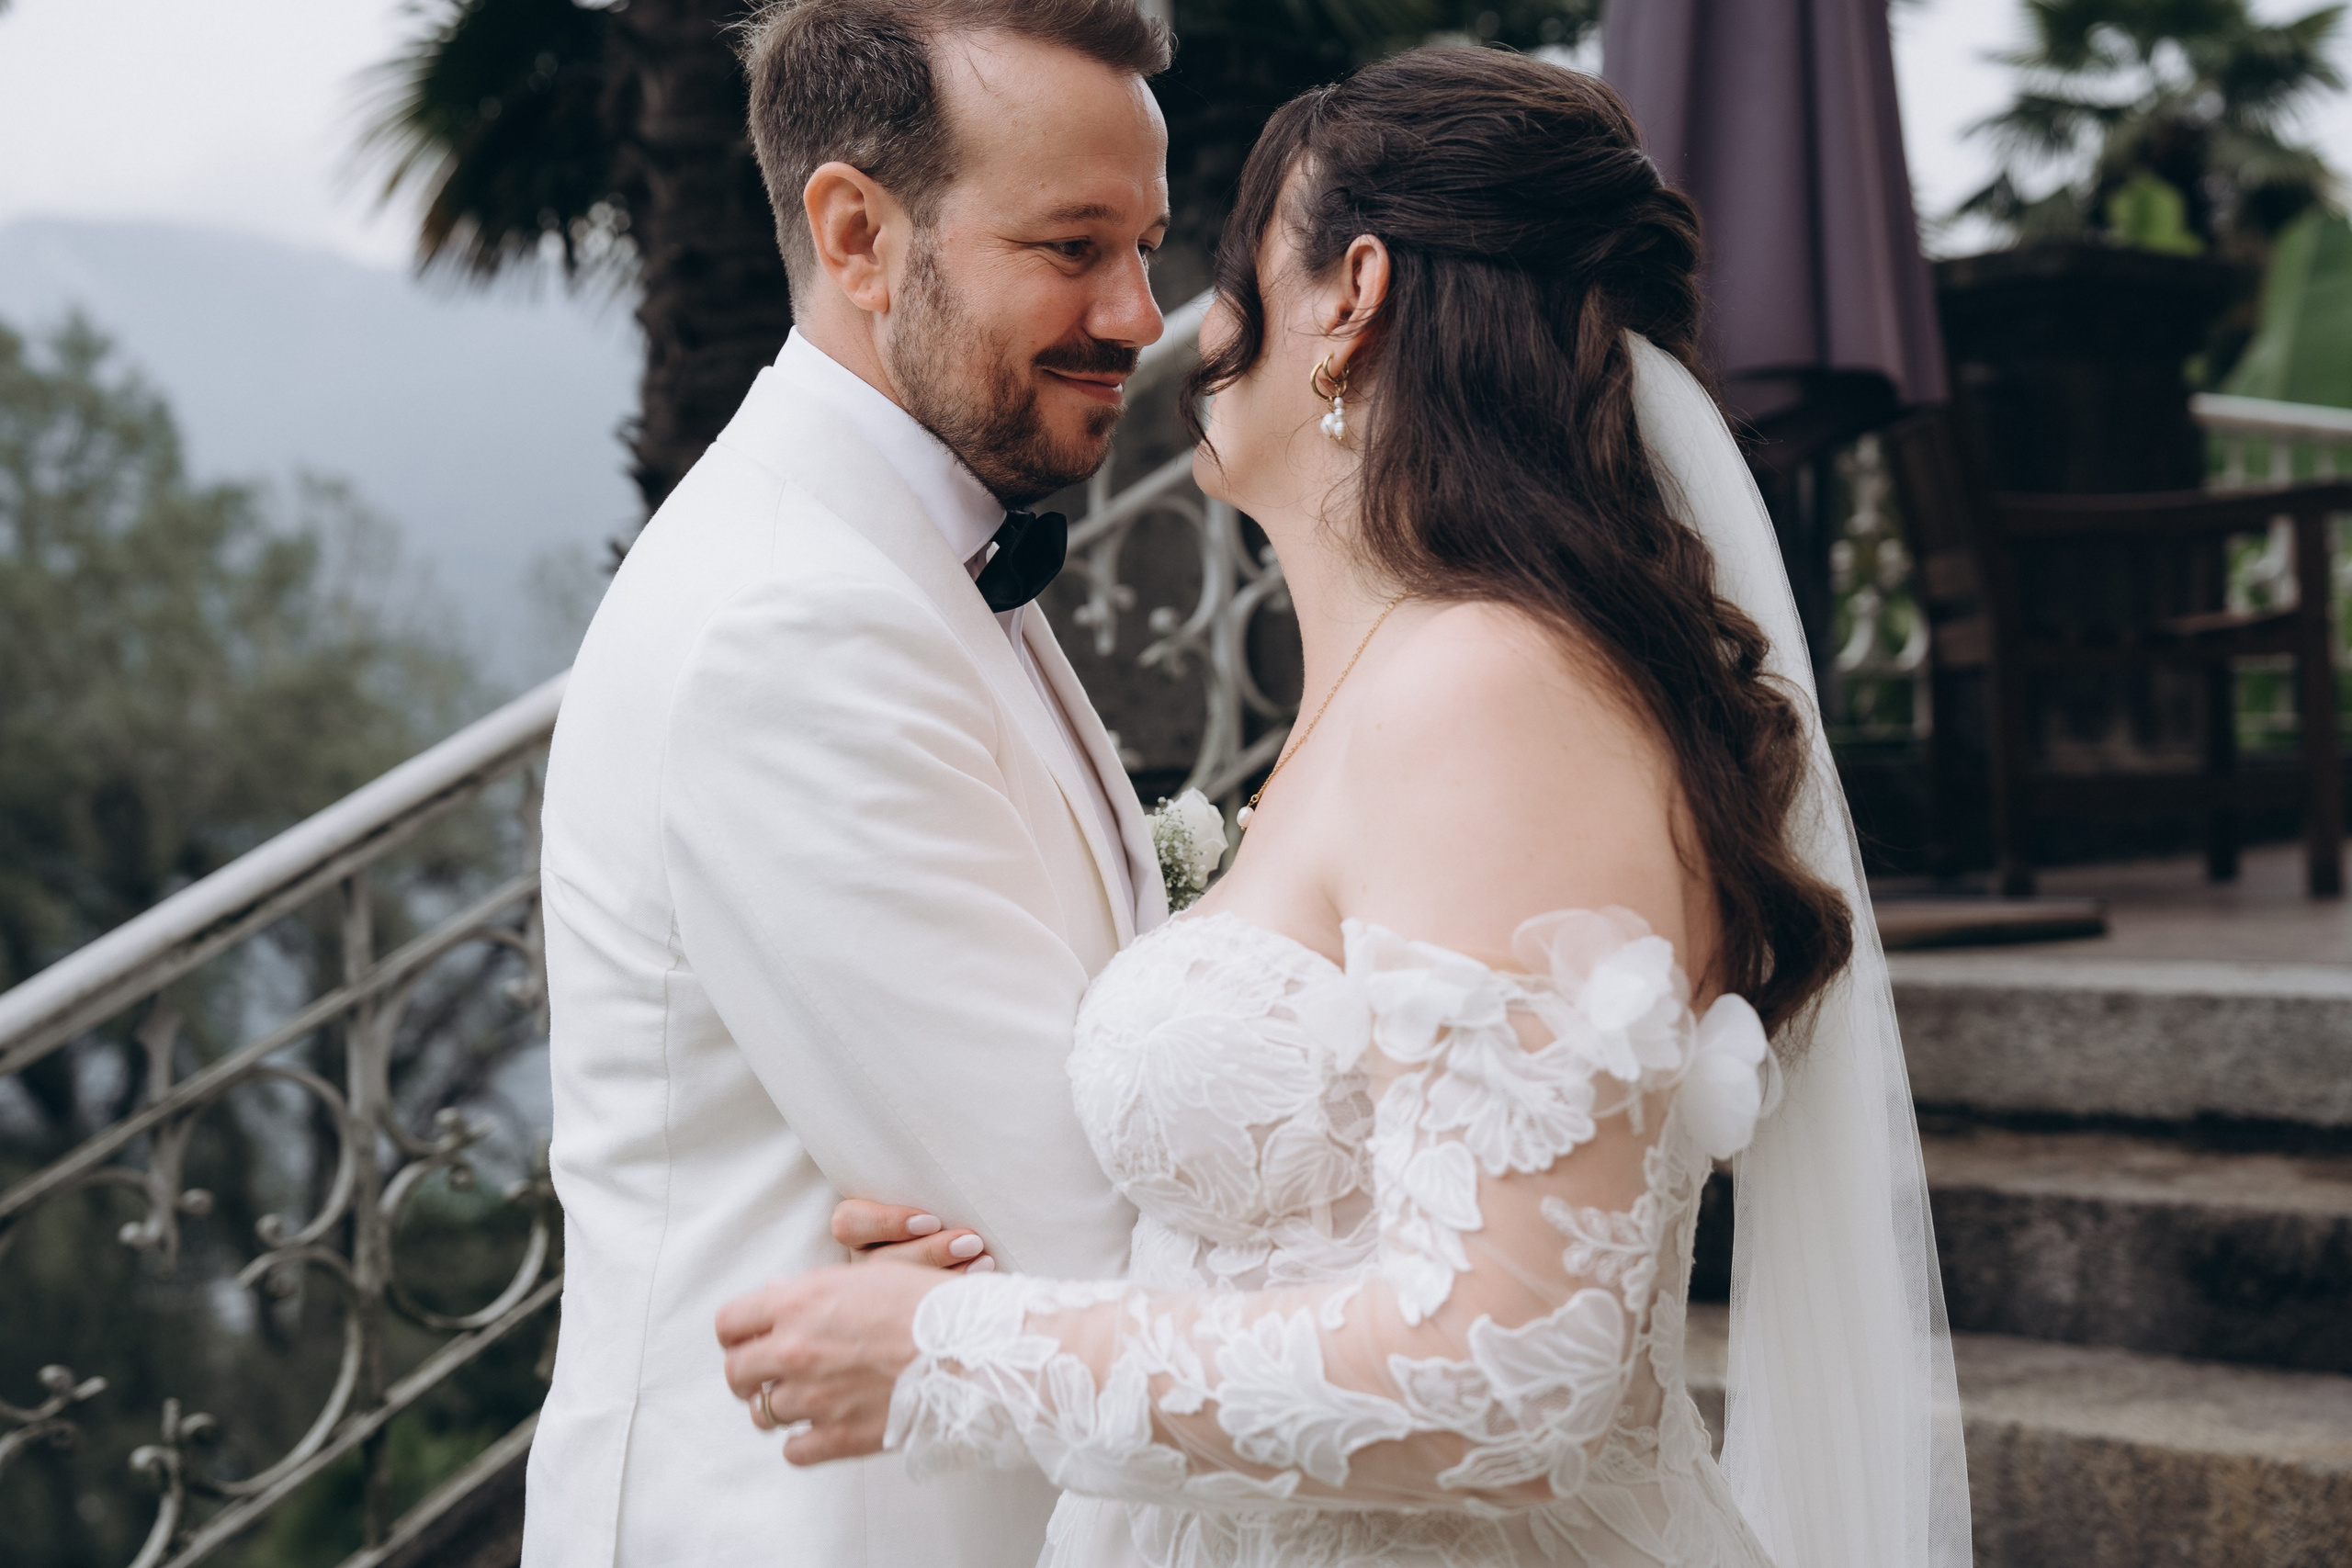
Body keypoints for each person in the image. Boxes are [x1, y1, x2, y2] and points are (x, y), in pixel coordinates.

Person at [717, 47, 1973, 1568]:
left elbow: (1512, 1371)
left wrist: (953, 1350)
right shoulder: (1405, 689)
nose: (1173, 320)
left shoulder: (1490, 695)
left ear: (1352, 295)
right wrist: (952, 1264)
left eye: (1232, 267)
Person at [522, 4, 1176, 1565]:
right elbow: (1074, 1231)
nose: (1143, 314)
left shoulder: (903, 550)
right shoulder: (788, 621)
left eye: (1146, 246)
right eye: (1075, 246)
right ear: (858, 233)